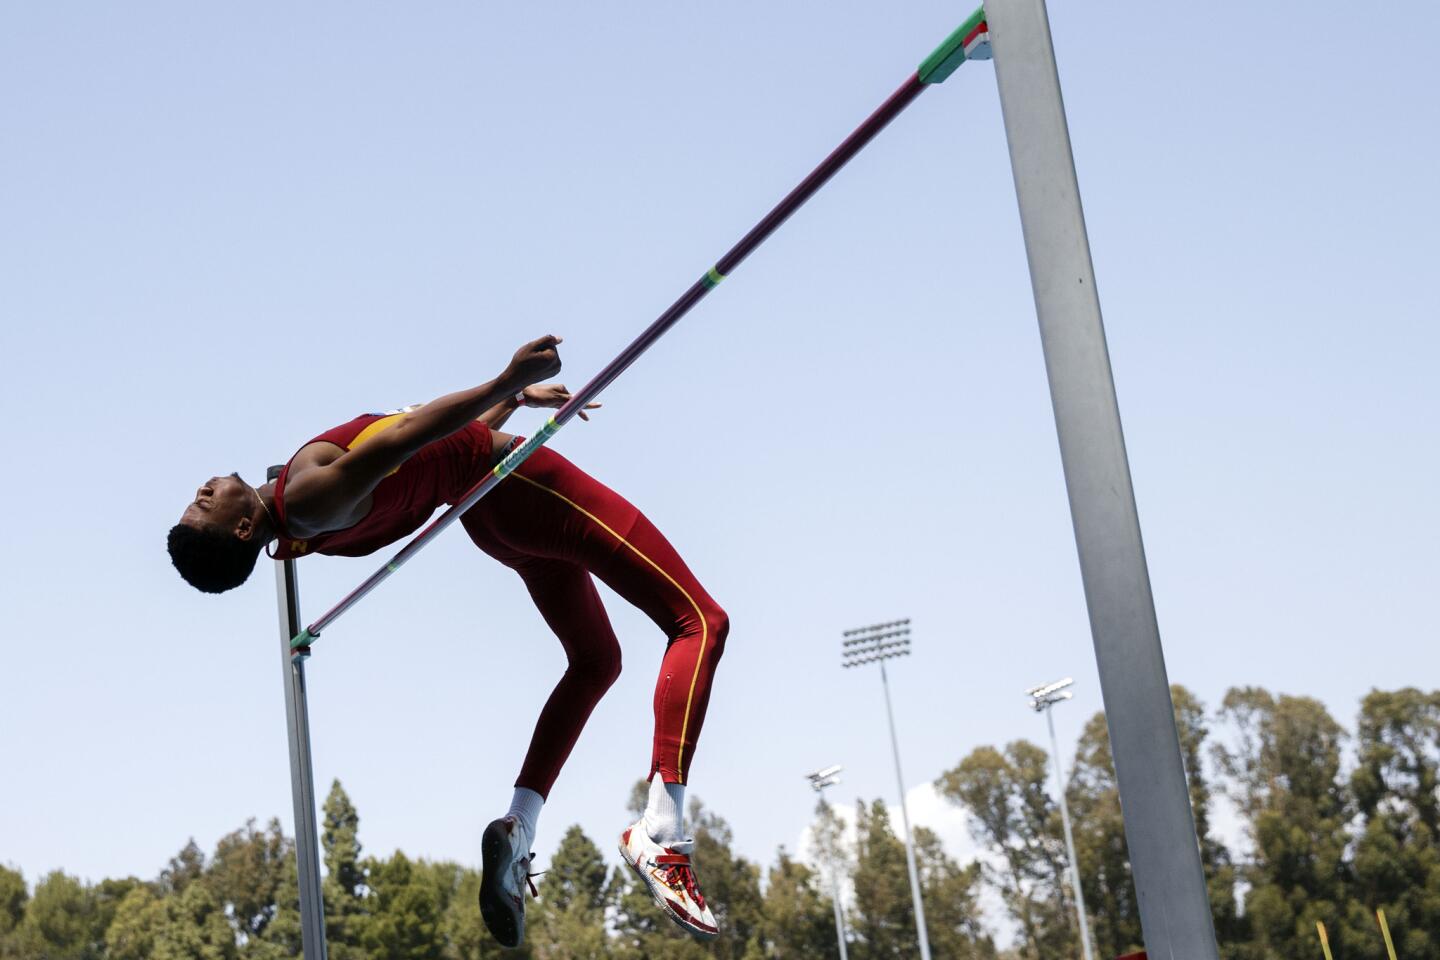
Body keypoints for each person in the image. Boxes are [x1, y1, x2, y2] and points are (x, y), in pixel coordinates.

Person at [168, 335, 727, 946]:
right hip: (516, 483)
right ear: (244, 527)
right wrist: (503, 380)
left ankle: (519, 828)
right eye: (204, 507)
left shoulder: (301, 527)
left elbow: (431, 459)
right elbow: (408, 436)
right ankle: (661, 833)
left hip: (491, 516)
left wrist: (511, 401)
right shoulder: (306, 496)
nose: (201, 492)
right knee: (699, 621)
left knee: (595, 661)